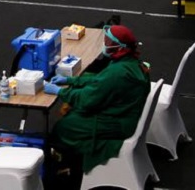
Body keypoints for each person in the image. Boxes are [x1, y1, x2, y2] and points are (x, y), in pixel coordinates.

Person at [44, 25, 150, 189]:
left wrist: (60, 92)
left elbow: (88, 100)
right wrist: (71, 81)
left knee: (64, 127)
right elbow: (99, 80)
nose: (105, 43)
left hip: (117, 124)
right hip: (125, 115)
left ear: (119, 47)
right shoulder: (128, 63)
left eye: (108, 41)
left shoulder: (118, 72)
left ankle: (68, 166)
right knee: (72, 117)